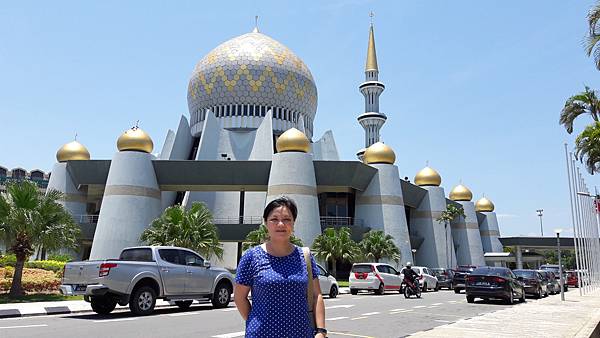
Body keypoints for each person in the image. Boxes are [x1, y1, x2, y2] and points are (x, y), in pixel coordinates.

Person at [234, 196, 327, 338]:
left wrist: (321, 331)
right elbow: (240, 298)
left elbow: (317, 295)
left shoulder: (305, 256)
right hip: (262, 334)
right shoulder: (251, 257)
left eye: (287, 219)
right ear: (265, 223)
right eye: (274, 219)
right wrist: (256, 321)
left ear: (293, 223)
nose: (281, 224)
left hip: (301, 333)